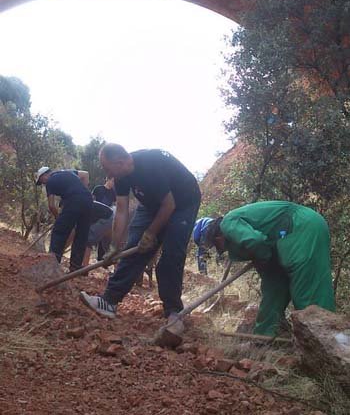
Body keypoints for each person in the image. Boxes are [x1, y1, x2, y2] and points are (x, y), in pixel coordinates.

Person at [80, 144, 201, 322]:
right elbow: (121, 210)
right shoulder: (121, 174)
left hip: (183, 203)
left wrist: (151, 233)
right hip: (151, 205)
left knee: (172, 255)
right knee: (135, 247)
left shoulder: (149, 166)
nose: (108, 175)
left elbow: (169, 205)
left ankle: (174, 313)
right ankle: (109, 302)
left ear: (120, 162)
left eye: (107, 169)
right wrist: (114, 245)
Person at [203, 200, 336, 336]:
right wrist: (264, 259)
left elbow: (255, 241)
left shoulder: (228, 223)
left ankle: (326, 341)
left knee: (309, 291)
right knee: (273, 289)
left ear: (218, 237)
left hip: (303, 227)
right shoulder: (231, 226)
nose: (219, 250)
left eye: (215, 245)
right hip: (284, 239)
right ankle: (264, 337)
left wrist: (263, 257)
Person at [35, 166, 93, 271]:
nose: (43, 184)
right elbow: (85, 174)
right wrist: (83, 191)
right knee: (81, 234)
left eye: (41, 181)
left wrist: (58, 218)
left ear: (45, 175)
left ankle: (52, 264)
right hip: (88, 200)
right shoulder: (68, 172)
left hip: (73, 200)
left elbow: (51, 205)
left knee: (59, 231)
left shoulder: (50, 181)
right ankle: (75, 267)